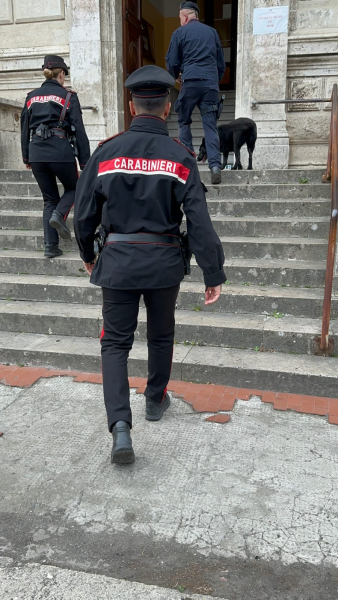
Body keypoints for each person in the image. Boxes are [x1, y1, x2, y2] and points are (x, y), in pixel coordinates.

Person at [74, 65, 226, 466]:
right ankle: (155, 400)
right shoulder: (180, 156)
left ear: (131, 105)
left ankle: (120, 427)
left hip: (119, 263)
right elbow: (199, 221)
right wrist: (213, 272)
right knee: (161, 336)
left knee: (115, 343)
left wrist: (88, 255)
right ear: (168, 108)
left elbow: (84, 214)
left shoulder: (106, 152)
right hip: (163, 264)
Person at [20, 55, 90, 258]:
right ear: (61, 74)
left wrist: (26, 158)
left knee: (49, 199)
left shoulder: (31, 96)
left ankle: (50, 246)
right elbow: (79, 130)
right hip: (60, 149)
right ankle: (59, 215)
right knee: (75, 188)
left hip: (36, 152)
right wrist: (85, 161)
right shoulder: (68, 96)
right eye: (64, 76)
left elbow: (24, 129)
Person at [166, 1, 226, 185]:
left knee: (184, 121)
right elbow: (220, 63)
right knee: (210, 124)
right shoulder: (212, 32)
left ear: (184, 16)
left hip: (190, 82)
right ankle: (215, 166)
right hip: (209, 84)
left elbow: (172, 61)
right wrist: (215, 80)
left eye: (180, 18)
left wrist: (175, 76)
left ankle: (189, 165)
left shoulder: (179, 33)